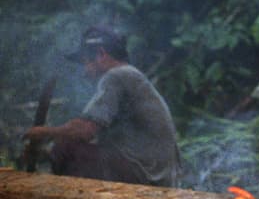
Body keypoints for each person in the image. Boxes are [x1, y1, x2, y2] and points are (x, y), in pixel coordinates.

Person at [24, 26, 181, 188]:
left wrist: (43, 132)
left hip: (146, 175)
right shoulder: (130, 75)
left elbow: (85, 130)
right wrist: (45, 154)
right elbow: (98, 141)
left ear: (101, 54)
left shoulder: (116, 75)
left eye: (86, 63)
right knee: (67, 147)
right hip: (155, 175)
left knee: (66, 147)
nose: (85, 72)